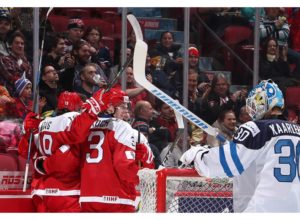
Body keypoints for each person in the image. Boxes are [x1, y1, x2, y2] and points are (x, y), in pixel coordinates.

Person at [180, 79, 300, 212]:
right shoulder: (297, 131)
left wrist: (199, 155)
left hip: (262, 208)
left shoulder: (256, 128)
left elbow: (229, 163)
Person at [19, 89, 122, 212]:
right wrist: (92, 110)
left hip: (41, 190)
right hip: (66, 191)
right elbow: (71, 147)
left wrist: (26, 134)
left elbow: (25, 152)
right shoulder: (72, 118)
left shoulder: (43, 123)